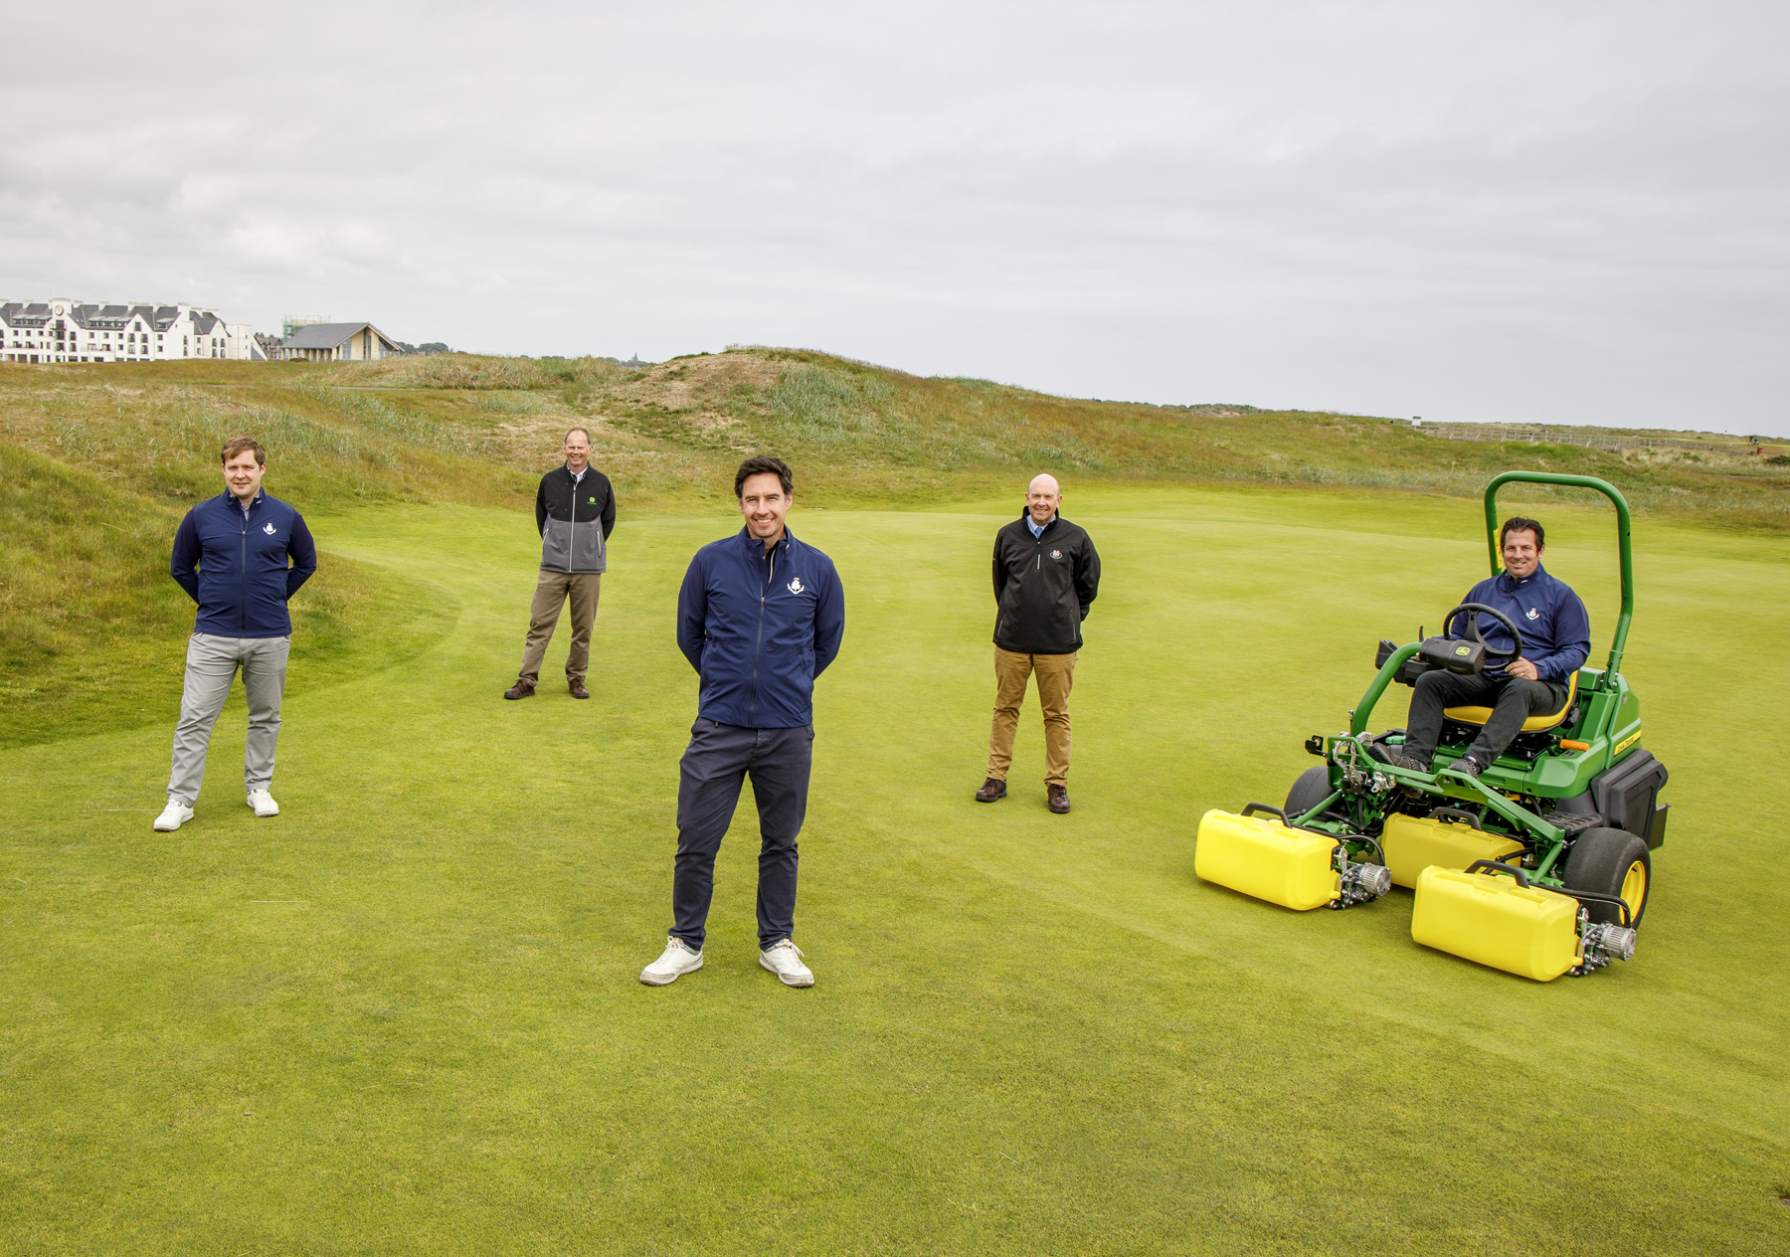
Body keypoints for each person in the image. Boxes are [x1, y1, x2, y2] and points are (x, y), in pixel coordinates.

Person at [640, 456, 845, 989]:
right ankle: (686, 943)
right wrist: (726, 680)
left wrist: (787, 683)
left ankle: (776, 942)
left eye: (771, 498)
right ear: (741, 504)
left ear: (788, 501)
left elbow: (826, 643)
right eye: (752, 499)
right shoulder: (711, 562)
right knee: (696, 838)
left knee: (781, 841)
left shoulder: (817, 569)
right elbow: (690, 635)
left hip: (787, 728)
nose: (762, 509)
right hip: (721, 725)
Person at [153, 437, 317, 832]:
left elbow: (305, 563)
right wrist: (212, 601)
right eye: (232, 468)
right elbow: (181, 568)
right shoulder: (201, 516)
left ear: (262, 469)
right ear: (224, 471)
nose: (239, 474)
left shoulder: (286, 515)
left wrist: (273, 598)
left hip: (270, 635)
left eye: (247, 467)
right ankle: (181, 800)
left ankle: (258, 788)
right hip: (214, 635)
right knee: (194, 719)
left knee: (265, 716)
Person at [1383, 516, 1590, 777]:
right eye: (1511, 548)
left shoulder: (1561, 596)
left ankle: (1473, 762)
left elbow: (1577, 649)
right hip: (1486, 678)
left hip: (1541, 686)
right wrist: (1430, 647)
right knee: (1432, 681)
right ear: (1502, 551)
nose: (1518, 555)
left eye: (1526, 548)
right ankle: (1415, 761)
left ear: (1540, 551)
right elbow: (1458, 635)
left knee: (1519, 689)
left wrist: (1538, 669)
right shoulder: (1484, 591)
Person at [975, 472, 1101, 814]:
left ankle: (1057, 784)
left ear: (1059, 500)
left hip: (1058, 645)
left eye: (1048, 497)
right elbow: (1001, 585)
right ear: (1027, 498)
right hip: (1012, 641)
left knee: (1056, 714)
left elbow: (1087, 587)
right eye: (1036, 496)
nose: (1041, 502)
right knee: (1005, 709)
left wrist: (1069, 617)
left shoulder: (1076, 538)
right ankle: (996, 778)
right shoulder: (1008, 536)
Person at [504, 427, 616, 700]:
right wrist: (555, 543)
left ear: (589, 448)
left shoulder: (601, 483)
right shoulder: (550, 480)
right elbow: (542, 517)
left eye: (581, 446)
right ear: (564, 448)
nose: (576, 451)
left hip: (587, 570)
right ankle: (527, 680)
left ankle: (577, 679)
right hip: (552, 567)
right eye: (571, 446)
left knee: (583, 628)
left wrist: (589, 545)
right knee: (539, 624)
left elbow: (608, 521)